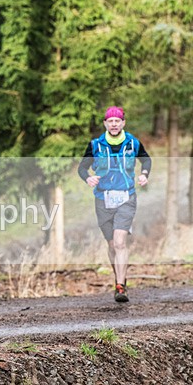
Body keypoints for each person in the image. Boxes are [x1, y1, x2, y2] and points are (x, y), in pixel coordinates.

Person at [78, 106, 151, 303]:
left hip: (126, 197)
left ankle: (121, 286)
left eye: (117, 121)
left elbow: (146, 160)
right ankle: (120, 278)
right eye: (110, 121)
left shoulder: (132, 143)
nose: (114, 124)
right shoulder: (95, 145)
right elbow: (82, 168)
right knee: (111, 244)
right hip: (103, 199)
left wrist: (144, 175)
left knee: (120, 242)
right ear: (105, 124)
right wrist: (88, 179)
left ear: (123, 123)